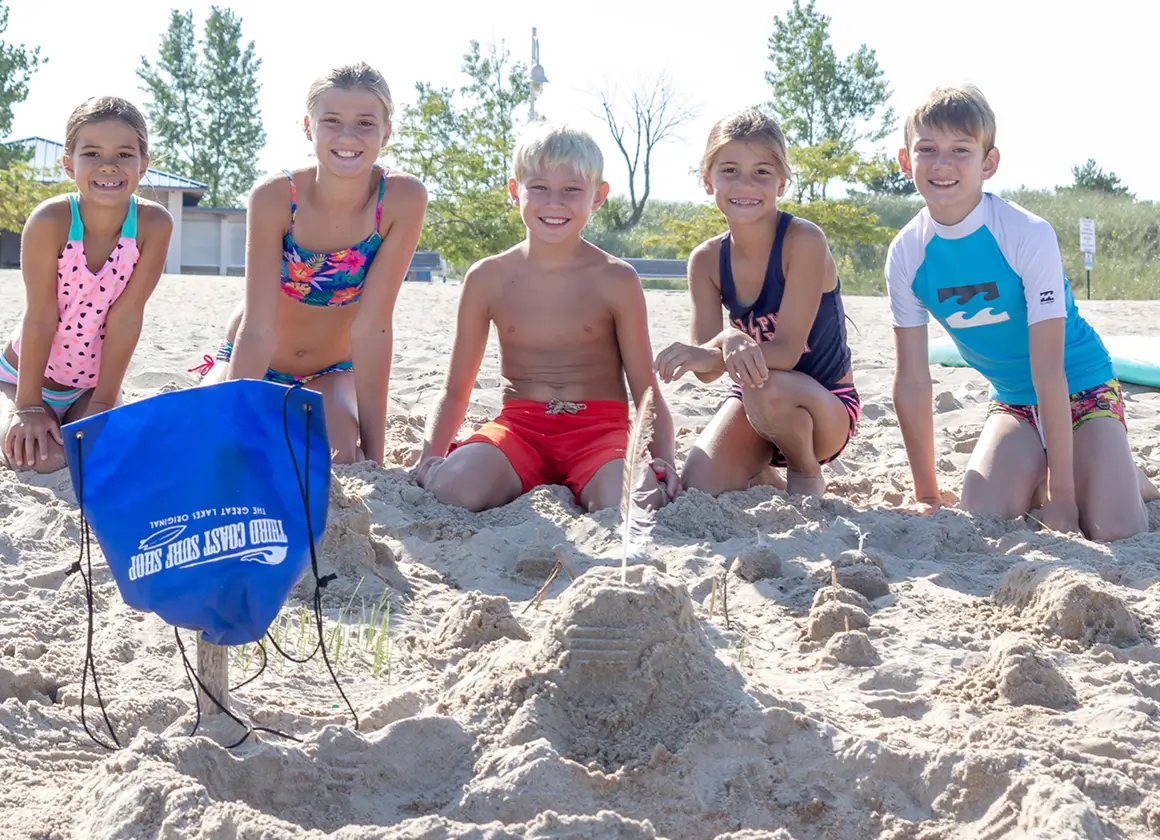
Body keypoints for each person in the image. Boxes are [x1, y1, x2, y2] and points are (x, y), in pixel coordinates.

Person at [887, 84, 1153, 541]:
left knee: (1113, 527)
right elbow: (912, 380)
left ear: (988, 163)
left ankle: (1123, 475)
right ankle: (1070, 466)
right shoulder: (907, 252)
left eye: (961, 149)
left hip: (1081, 387)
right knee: (983, 515)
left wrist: (1063, 498)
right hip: (1015, 400)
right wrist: (927, 494)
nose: (943, 163)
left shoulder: (1027, 233)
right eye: (927, 149)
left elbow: (1049, 368)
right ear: (905, 161)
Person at [415, 122, 679, 513]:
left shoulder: (617, 279)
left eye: (572, 190)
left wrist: (666, 459)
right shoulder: (487, 277)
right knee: (453, 489)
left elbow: (645, 390)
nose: (555, 202)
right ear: (514, 191)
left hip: (601, 432)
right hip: (521, 428)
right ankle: (482, 468)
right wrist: (430, 455)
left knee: (630, 503)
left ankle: (613, 479)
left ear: (599, 197)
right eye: (539, 187)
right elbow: (456, 388)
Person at [198, 62, 427, 465]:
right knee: (214, 431)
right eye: (332, 121)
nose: (347, 136)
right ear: (309, 126)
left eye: (365, 123)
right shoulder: (275, 196)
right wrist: (237, 425)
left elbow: (373, 329)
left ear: (387, 131)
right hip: (255, 354)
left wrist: (375, 458)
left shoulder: (401, 199)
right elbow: (258, 327)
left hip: (333, 369)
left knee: (339, 457)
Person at [653, 108, 859, 498]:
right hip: (754, 403)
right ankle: (762, 475)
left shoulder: (804, 241)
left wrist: (725, 344)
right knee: (700, 486)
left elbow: (786, 350)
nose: (745, 184)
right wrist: (725, 341)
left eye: (762, 172)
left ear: (781, 183)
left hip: (824, 408)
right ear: (707, 180)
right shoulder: (706, 260)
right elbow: (708, 368)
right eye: (729, 170)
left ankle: (804, 470)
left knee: (765, 387)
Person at [1, 96, 173, 473]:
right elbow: (41, 316)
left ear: (143, 164)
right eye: (92, 153)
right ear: (68, 163)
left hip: (91, 386)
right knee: (44, 460)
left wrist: (102, 405)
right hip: (23, 379)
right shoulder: (51, 220)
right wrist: (28, 406)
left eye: (124, 154)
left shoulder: (153, 225)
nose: (108, 165)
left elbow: (127, 317)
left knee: (100, 452)